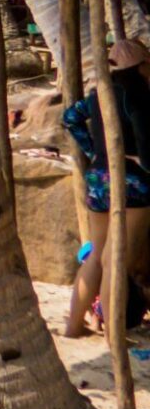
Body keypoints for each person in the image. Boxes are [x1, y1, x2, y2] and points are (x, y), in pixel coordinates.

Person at [64, 38, 150, 337]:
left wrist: (93, 153)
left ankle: (73, 326)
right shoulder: (137, 96)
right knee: (117, 257)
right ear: (142, 65)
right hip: (130, 182)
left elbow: (70, 118)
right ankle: (114, 334)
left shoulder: (97, 95)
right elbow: (147, 153)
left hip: (97, 180)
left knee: (97, 254)